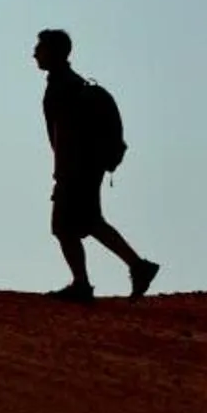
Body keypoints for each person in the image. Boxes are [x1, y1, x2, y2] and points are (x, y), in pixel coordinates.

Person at [33, 28, 158, 304]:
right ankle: (136, 267)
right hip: (87, 165)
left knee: (63, 227)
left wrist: (62, 168)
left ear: (54, 52)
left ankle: (83, 283)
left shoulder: (61, 86)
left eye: (39, 48)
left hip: (76, 166)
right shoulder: (69, 82)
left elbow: (62, 131)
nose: (34, 54)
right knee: (90, 221)